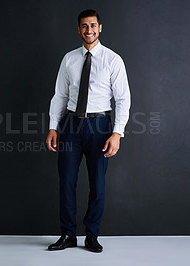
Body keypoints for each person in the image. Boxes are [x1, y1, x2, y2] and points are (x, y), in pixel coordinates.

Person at [46, 9, 131, 253]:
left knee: (98, 184)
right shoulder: (69, 59)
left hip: (100, 126)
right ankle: (68, 235)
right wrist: (53, 127)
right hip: (71, 126)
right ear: (79, 29)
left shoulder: (113, 60)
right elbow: (60, 96)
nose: (89, 30)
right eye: (84, 26)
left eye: (93, 25)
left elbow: (123, 99)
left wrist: (117, 133)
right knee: (67, 182)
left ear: (100, 28)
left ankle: (91, 235)